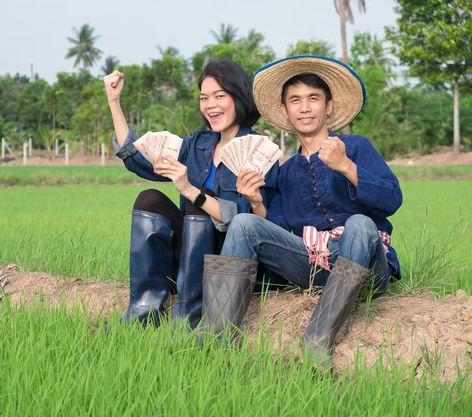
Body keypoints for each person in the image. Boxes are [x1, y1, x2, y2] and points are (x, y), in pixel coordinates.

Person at [200, 55, 403, 367]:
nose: (305, 107)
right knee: (243, 222)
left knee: (360, 224)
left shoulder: (357, 146)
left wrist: (347, 167)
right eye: (295, 100)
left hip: (365, 268)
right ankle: (217, 336)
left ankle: (316, 341)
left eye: (313, 98)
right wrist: (255, 201)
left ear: (329, 106)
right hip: (312, 266)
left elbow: (392, 199)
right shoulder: (286, 170)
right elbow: (277, 230)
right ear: (285, 111)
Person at [103, 60, 278, 328]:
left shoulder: (258, 152)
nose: (211, 105)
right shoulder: (196, 145)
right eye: (204, 98)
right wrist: (114, 101)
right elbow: (137, 156)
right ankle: (142, 312)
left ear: (239, 98)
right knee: (149, 199)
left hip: (231, 262)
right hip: (190, 261)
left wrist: (189, 190)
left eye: (220, 96)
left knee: (200, 199)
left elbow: (244, 221)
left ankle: (189, 318)